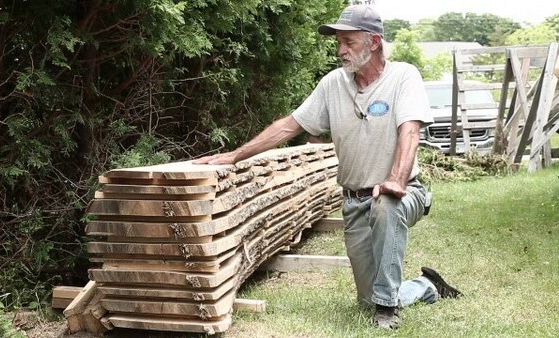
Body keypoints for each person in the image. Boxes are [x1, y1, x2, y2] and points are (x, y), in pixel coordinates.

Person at [194, 5, 462, 329]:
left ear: (374, 42)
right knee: (368, 300)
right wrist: (236, 155)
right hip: (354, 200)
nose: (340, 50)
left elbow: (410, 131)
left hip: (403, 193)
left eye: (348, 42)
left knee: (385, 205)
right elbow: (289, 125)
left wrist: (395, 180)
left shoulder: (403, 76)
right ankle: (426, 286)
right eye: (338, 42)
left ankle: (388, 311)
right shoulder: (333, 84)